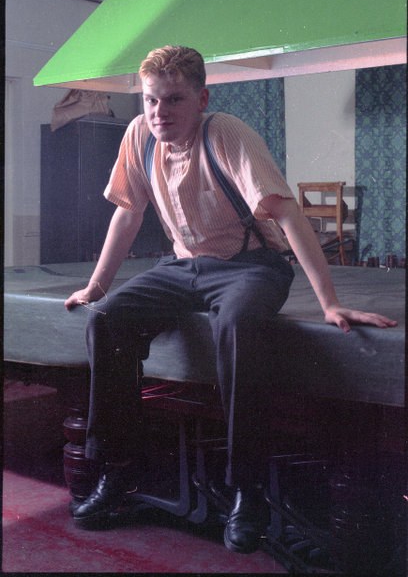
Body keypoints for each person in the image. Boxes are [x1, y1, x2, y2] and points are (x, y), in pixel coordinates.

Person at [65, 45, 397, 553]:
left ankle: (248, 489)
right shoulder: (139, 135)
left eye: (174, 100)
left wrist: (329, 302)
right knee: (107, 319)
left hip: (251, 267)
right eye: (151, 100)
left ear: (201, 99)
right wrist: (97, 286)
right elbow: (128, 213)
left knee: (237, 327)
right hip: (183, 266)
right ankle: (119, 471)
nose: (159, 113)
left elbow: (288, 214)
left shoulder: (226, 134)